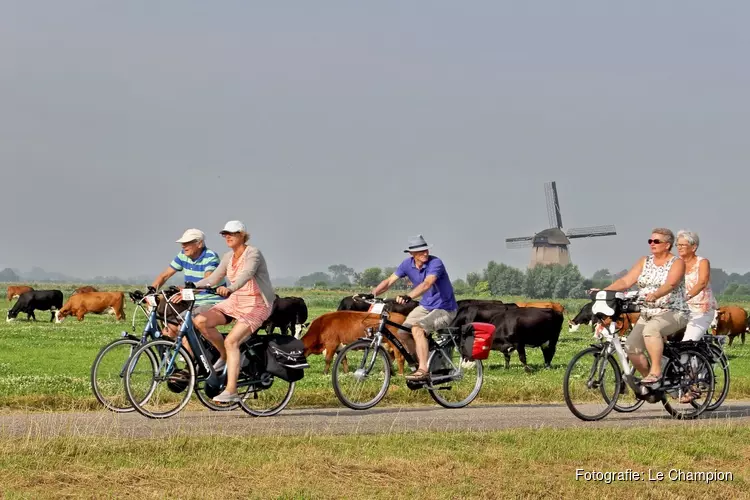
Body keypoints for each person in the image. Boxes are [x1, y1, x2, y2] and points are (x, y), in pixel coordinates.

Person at [193, 220, 275, 403]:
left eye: (231, 233)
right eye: (225, 234)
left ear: (242, 235)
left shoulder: (253, 253)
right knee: (200, 321)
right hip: (235, 301)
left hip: (257, 304)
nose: (227, 237)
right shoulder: (227, 257)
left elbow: (247, 274)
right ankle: (224, 355)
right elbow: (214, 278)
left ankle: (231, 390)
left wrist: (230, 288)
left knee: (231, 341)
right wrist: (189, 288)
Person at [601, 228, 689, 386]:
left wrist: (656, 294)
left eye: (656, 241)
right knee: (631, 348)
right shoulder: (645, 261)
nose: (652, 244)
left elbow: (671, 283)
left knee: (651, 330)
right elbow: (626, 281)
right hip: (647, 312)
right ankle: (651, 384)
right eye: (650, 241)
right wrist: (604, 291)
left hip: (673, 311)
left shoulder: (677, 262)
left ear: (668, 245)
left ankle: (656, 372)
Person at [371, 234, 458, 381]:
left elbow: (427, 284)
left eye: (426, 250)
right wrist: (371, 294)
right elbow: (389, 281)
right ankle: (419, 363)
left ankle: (423, 369)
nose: (425, 253)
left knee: (417, 329)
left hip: (445, 308)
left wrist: (409, 296)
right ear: (411, 254)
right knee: (403, 333)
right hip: (425, 307)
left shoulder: (435, 263)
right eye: (420, 251)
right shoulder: (406, 264)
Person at [151, 228, 225, 340]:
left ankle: (191, 355)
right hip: (191, 299)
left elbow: (208, 280)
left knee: (183, 326)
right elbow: (164, 275)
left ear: (199, 244)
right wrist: (151, 291)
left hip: (210, 300)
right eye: (182, 243)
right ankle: (178, 353)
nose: (183, 246)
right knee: (169, 326)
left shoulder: (210, 257)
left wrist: (186, 291)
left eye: (187, 243)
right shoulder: (183, 255)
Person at [676, 230, 718, 342]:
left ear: (693, 247)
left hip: (700, 310)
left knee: (687, 342)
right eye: (677, 245)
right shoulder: (674, 264)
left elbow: (702, 282)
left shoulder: (702, 262)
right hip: (679, 309)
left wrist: (686, 297)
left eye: (682, 245)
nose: (679, 247)